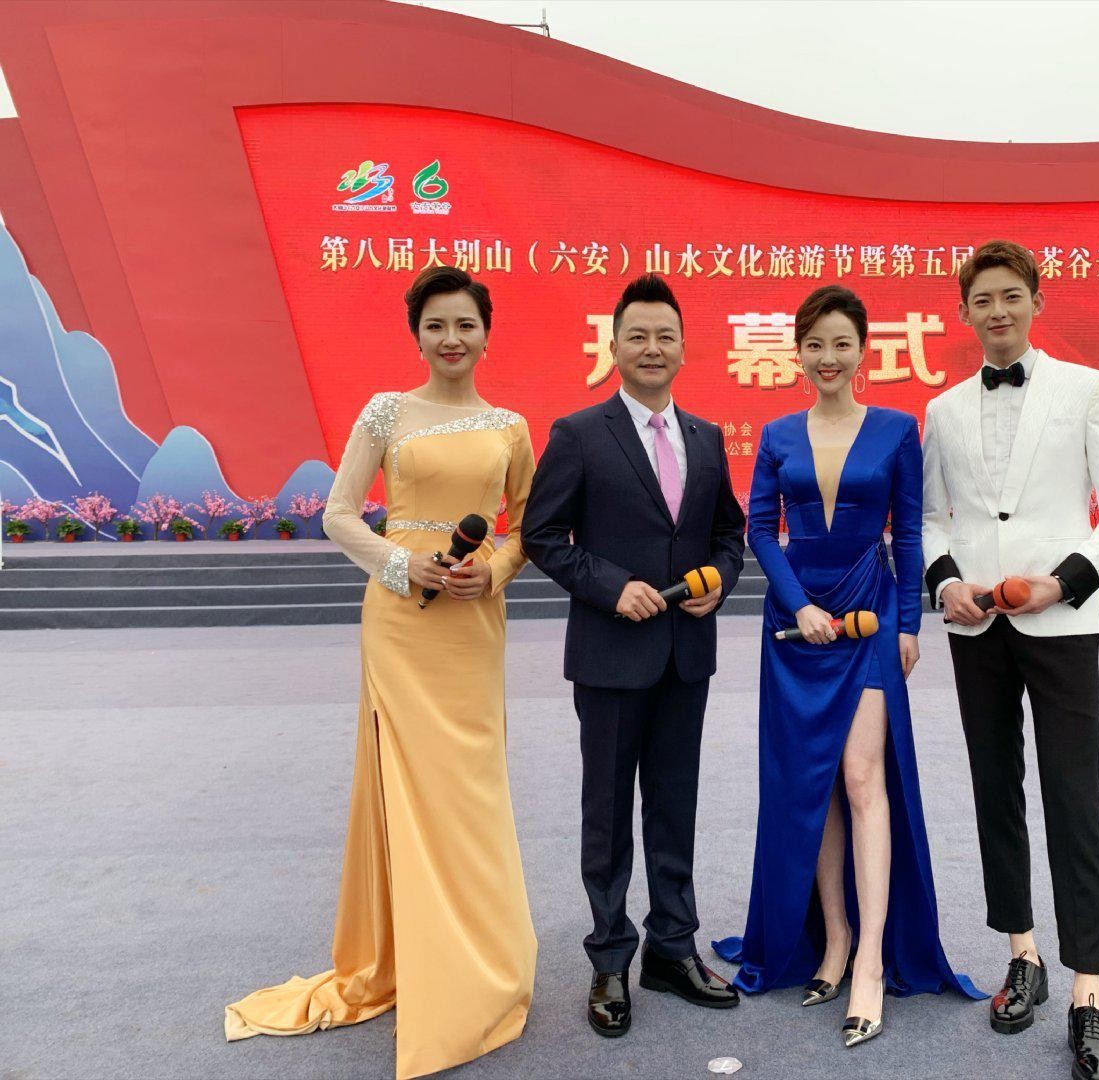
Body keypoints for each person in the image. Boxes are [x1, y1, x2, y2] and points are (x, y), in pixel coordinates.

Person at [225, 267, 538, 1080]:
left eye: (465, 324)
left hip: (471, 622)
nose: (451, 338)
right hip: (401, 623)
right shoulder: (385, 412)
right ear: (416, 335)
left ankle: (481, 964)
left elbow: (528, 527)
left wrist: (492, 572)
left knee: (471, 787)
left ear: (486, 333)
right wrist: (403, 566)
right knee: (410, 786)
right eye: (436, 325)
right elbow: (338, 514)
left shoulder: (511, 427)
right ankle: (411, 959)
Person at [713, 286, 984, 1049]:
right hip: (796, 625)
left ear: (863, 349)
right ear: (796, 354)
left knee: (862, 776)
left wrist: (908, 624)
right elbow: (760, 529)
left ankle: (868, 960)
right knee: (816, 781)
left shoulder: (897, 430)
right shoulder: (776, 434)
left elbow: (908, 533)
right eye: (814, 345)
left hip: (870, 612)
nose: (827, 358)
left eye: (840, 343)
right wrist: (797, 604)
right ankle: (832, 937)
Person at [921, 240, 1099, 1080]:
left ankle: (1088, 989)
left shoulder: (1088, 388)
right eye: (981, 299)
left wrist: (1065, 581)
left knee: (1072, 797)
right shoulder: (942, 409)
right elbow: (930, 518)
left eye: (1010, 295)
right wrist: (945, 582)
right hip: (976, 623)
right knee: (994, 791)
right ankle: (1022, 954)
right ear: (963, 312)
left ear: (1035, 301)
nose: (997, 311)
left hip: (1061, 620)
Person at [522, 274, 747, 1038]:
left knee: (674, 808)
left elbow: (728, 535)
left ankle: (672, 949)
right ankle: (611, 958)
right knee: (608, 813)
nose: (652, 348)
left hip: (686, 655)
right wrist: (611, 587)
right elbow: (543, 536)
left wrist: (719, 581)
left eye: (665, 336)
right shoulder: (579, 433)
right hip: (610, 656)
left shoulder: (705, 438)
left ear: (683, 348)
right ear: (613, 346)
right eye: (638, 336)